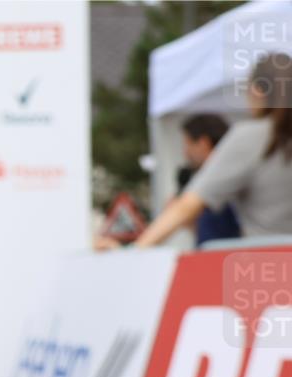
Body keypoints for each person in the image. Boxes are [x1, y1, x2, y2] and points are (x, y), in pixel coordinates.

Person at [96, 53, 292, 249]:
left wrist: (134, 252)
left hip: (269, 267)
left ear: (258, 91)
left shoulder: (253, 138)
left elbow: (186, 208)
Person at [175, 114, 241, 246]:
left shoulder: (222, 179)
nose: (185, 152)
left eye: (188, 144)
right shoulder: (236, 172)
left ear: (203, 144)